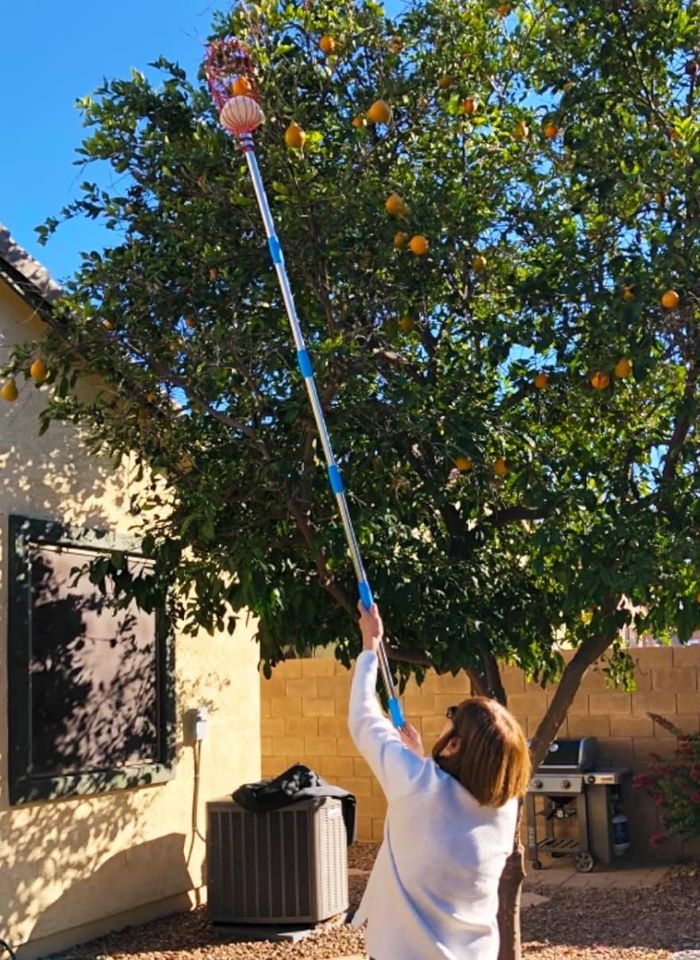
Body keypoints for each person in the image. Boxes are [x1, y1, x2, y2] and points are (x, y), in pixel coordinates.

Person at [349, 602, 531, 960]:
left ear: (454, 745)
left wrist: (370, 646)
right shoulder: (504, 809)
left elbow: (363, 717)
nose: (448, 720)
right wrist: (419, 760)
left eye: (453, 718)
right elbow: (444, 807)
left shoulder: (416, 784)